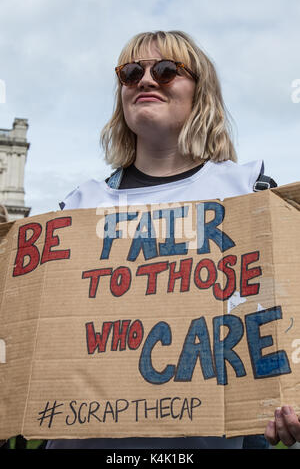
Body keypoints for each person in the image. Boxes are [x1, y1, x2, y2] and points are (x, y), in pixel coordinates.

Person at [46, 30, 299, 449]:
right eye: (130, 73)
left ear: (200, 92)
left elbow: (277, 317)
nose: (146, 80)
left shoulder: (248, 191)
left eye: (165, 70)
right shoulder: (78, 206)